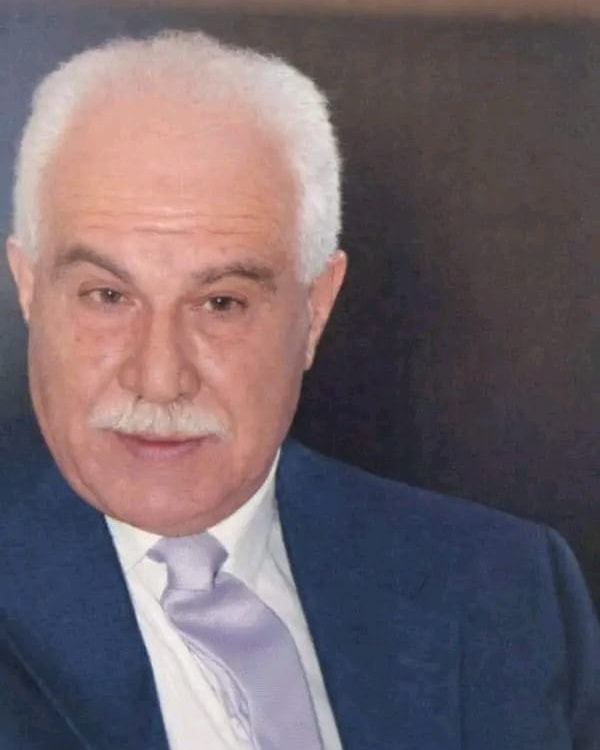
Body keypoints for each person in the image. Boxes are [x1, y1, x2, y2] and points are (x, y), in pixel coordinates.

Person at [0, 29, 598, 750]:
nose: (159, 379)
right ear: (28, 288)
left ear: (315, 309)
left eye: (221, 303)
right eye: (107, 296)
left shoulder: (504, 588)